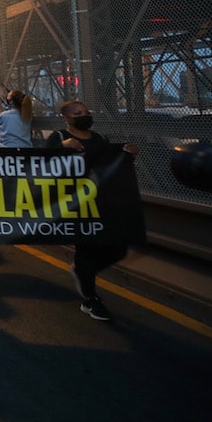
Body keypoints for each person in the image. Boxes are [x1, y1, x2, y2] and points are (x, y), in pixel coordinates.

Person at [46, 100, 138, 321]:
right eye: (77, 113)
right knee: (87, 248)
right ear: (66, 118)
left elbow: (110, 166)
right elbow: (41, 163)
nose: (83, 115)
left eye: (86, 112)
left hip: (100, 203)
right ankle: (90, 299)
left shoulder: (100, 139)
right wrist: (63, 148)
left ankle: (82, 271)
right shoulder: (58, 138)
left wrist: (128, 154)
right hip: (74, 204)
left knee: (117, 248)